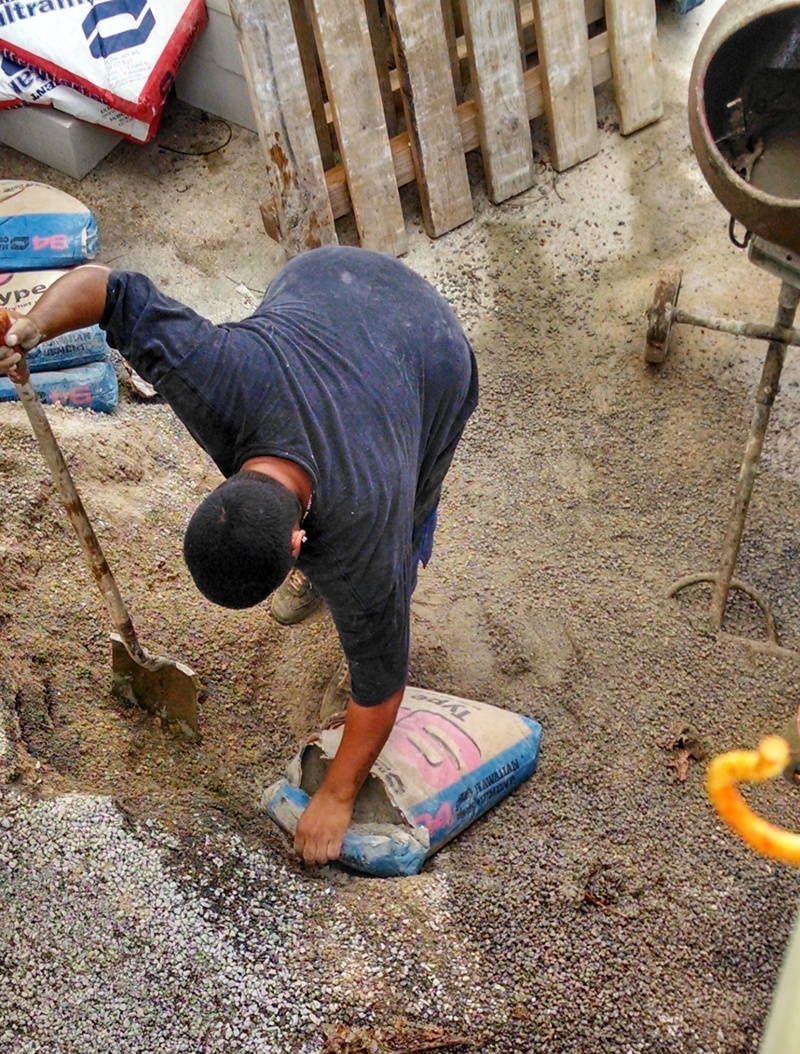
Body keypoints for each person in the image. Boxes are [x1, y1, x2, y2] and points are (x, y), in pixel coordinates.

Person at [0, 247, 478, 865]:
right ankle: (320, 586)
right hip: (325, 277)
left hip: (432, 351)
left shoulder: (363, 533)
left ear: (299, 543)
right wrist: (32, 327)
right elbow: (106, 290)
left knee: (400, 542)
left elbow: (383, 691)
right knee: (361, 569)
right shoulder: (215, 380)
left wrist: (335, 795)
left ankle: (360, 582)